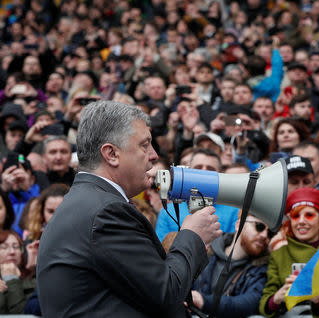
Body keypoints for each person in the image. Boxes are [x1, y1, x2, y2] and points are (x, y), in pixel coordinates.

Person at [37, 101, 223, 317]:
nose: (154, 155)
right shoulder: (106, 213)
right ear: (111, 154)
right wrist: (193, 235)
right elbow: (167, 293)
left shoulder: (87, 202)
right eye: (145, 145)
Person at [259, 188, 319, 317]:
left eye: (309, 215)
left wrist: (317, 298)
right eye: (295, 216)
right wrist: (277, 298)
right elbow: (264, 304)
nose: (301, 221)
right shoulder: (279, 255)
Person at [191, 212, 272, 318]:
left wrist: (203, 301)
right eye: (259, 226)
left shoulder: (263, 267)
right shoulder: (205, 251)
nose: (264, 235)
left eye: (270, 233)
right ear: (239, 225)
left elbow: (250, 302)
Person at [155, 148, 239, 241]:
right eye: (198, 168)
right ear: (188, 171)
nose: (203, 172)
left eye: (210, 169)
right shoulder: (168, 211)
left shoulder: (233, 211)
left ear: (220, 174)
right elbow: (162, 248)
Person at [0, 230, 36, 314]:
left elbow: (22, 313)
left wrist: (11, 279)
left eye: (16, 247)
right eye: (4, 247)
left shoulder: (33, 279)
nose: (12, 252)